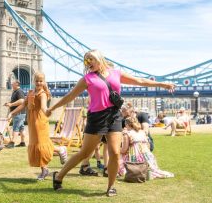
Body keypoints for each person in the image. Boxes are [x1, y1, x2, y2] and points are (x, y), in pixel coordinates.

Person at [45, 49, 175, 196]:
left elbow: (139, 81)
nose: (88, 63)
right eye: (86, 60)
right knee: (84, 153)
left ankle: (110, 186)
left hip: (114, 115)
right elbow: (70, 96)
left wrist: (162, 84)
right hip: (96, 117)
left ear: (100, 59)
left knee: (114, 152)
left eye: (91, 59)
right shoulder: (87, 79)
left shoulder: (116, 73)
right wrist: (52, 108)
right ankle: (59, 175)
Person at [8, 72, 68, 180]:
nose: (39, 83)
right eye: (37, 81)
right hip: (32, 122)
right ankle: (57, 154)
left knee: (41, 146)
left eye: (41, 81)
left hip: (40, 122)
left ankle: (50, 163)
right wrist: (12, 113)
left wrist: (47, 111)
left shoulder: (43, 94)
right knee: (36, 145)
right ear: (33, 81)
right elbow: (23, 105)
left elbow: (44, 107)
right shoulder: (31, 92)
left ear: (44, 82)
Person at [4, 80, 26, 148]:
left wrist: (11, 104)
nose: (11, 84)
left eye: (12, 83)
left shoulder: (19, 91)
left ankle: (12, 143)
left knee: (15, 127)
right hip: (19, 113)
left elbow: (22, 101)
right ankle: (22, 142)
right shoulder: (15, 91)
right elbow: (15, 101)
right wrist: (9, 103)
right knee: (21, 128)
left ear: (16, 84)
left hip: (19, 113)